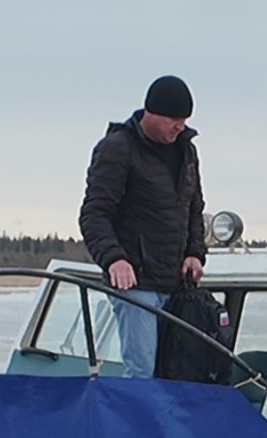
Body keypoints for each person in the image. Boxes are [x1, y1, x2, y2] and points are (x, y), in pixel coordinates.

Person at [78, 75, 207, 378]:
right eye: (174, 119)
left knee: (179, 370)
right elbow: (94, 214)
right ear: (152, 113)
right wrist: (114, 259)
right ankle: (135, 425)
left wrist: (195, 253)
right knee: (141, 371)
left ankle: (169, 426)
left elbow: (194, 208)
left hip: (177, 284)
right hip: (136, 285)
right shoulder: (117, 148)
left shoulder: (187, 151)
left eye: (184, 120)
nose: (180, 127)